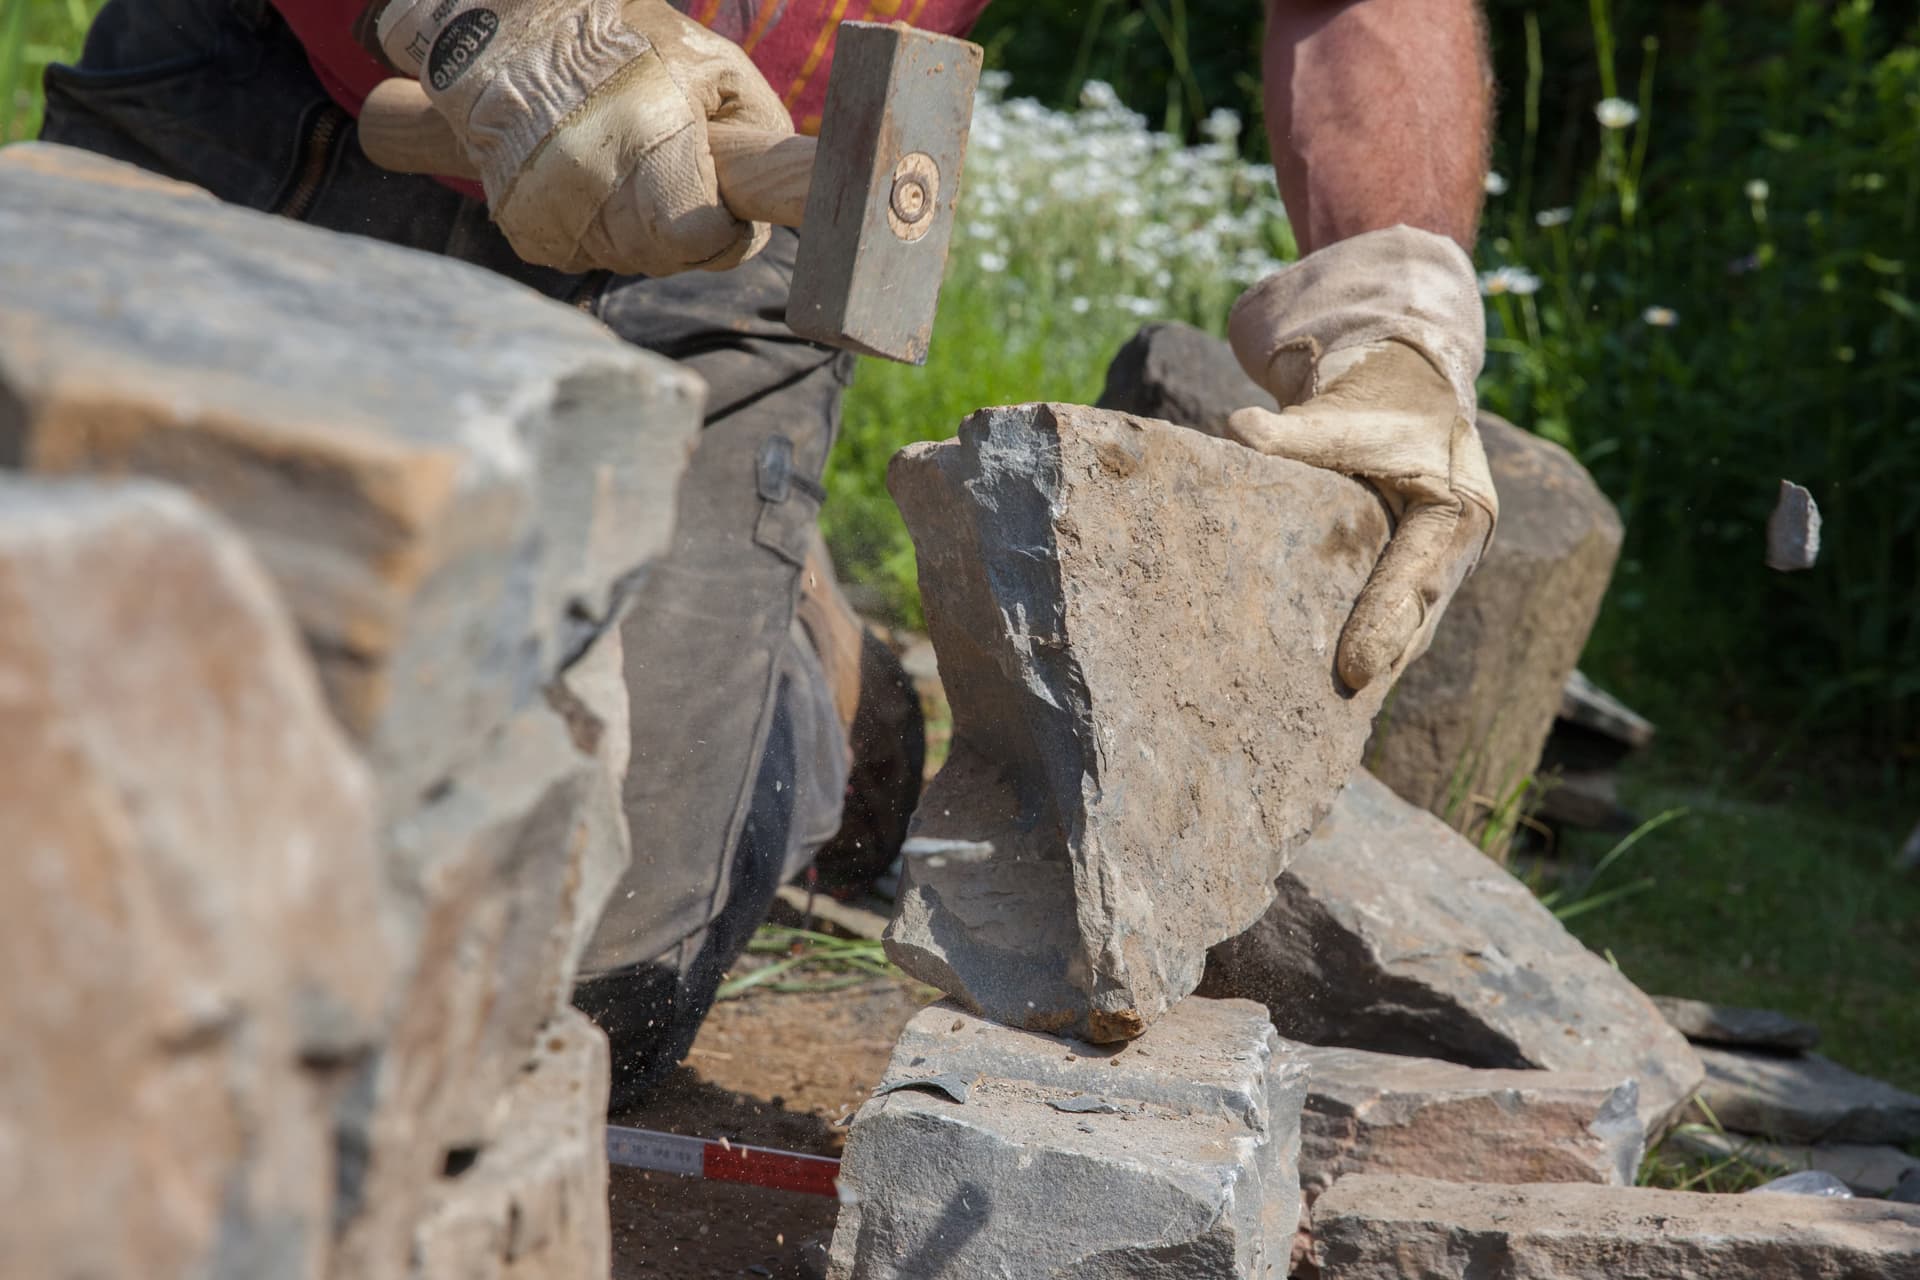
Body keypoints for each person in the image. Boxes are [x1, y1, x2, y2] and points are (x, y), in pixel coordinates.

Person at [41, 0, 1496, 1110]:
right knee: (74, 833)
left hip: (740, 230)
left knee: (568, 1003)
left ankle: (812, 667)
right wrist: (482, 24)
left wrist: (1398, 303)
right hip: (296, 101)